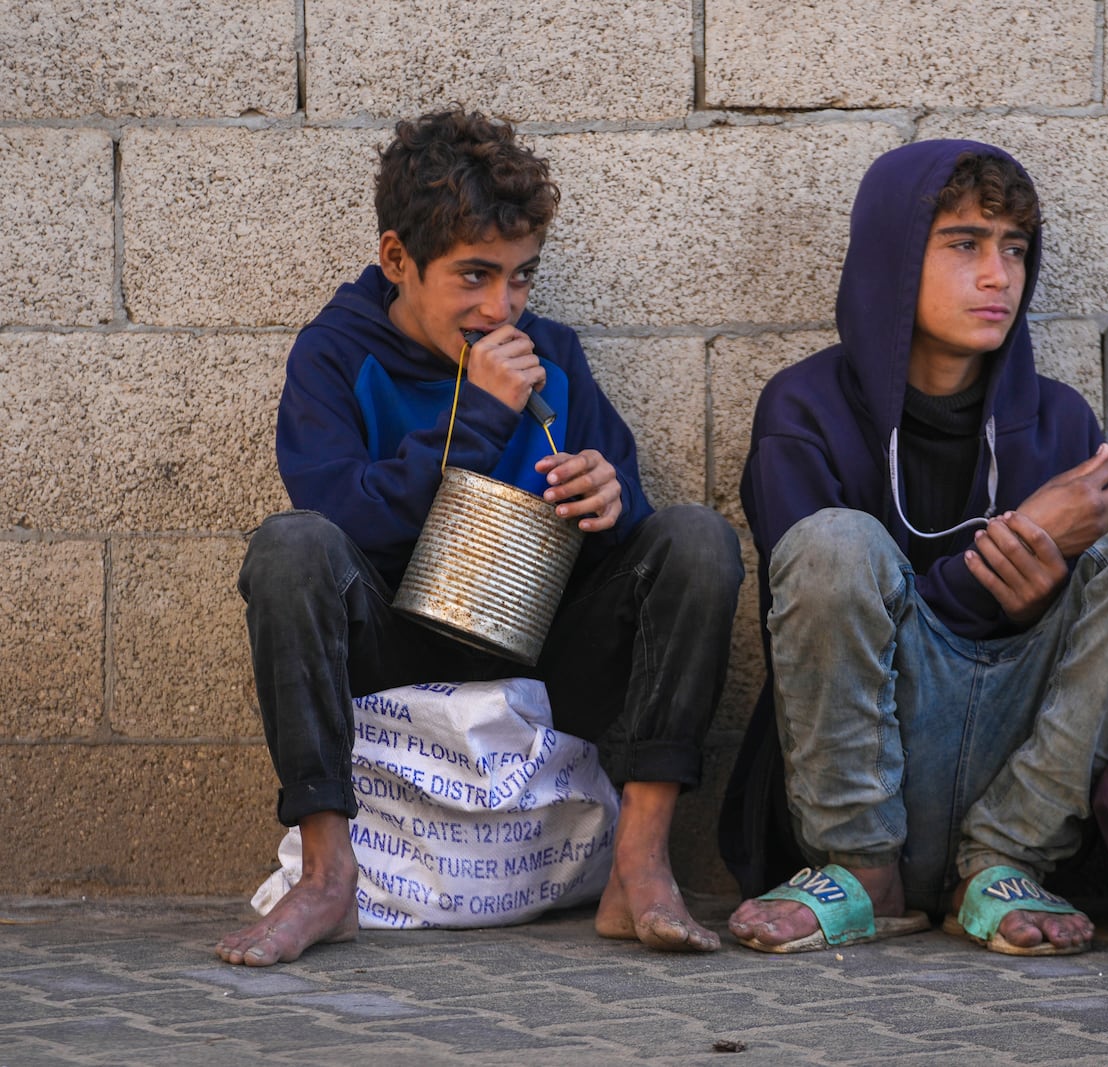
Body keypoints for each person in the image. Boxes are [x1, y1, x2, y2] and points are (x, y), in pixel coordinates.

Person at [216, 109, 741, 965]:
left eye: (522, 277)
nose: (502, 306)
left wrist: (613, 505)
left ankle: (639, 865)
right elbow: (339, 514)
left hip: (539, 666)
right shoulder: (335, 353)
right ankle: (326, 874)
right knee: (289, 546)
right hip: (396, 654)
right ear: (398, 261)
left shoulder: (553, 354)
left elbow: (638, 549)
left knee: (696, 541)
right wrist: (477, 414)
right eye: (473, 276)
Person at [723, 140, 1108, 956]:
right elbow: (811, 614)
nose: (998, 276)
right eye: (964, 244)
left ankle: (1005, 863)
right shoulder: (804, 407)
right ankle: (861, 872)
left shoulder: (1061, 422)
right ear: (894, 258)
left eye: (1015, 249)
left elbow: (1087, 638)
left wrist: (1046, 594)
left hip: (1019, 773)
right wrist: (995, 575)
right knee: (833, 543)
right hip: (860, 775)